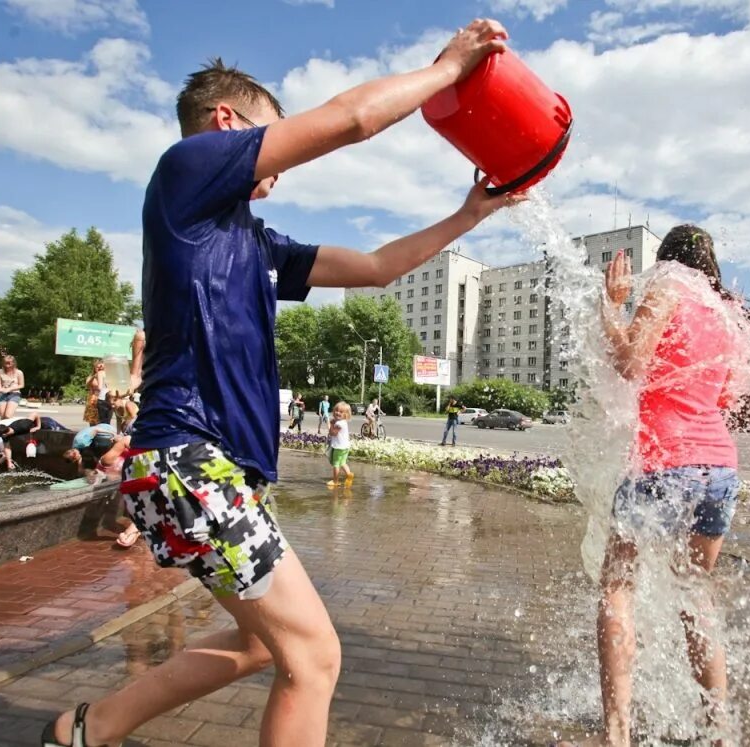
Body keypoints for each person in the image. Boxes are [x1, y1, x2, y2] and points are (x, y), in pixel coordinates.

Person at [41, 23, 520, 747]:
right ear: (225, 125)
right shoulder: (186, 173)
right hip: (187, 459)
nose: (281, 162)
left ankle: (87, 726)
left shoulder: (254, 241)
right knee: (316, 658)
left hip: (209, 470)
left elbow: (378, 267)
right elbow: (352, 120)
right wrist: (448, 70)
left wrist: (469, 214)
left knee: (267, 644)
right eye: (272, 135)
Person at [588, 226, 750, 747]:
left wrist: (610, 310)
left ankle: (617, 735)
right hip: (719, 468)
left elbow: (630, 364)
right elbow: (729, 396)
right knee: (695, 594)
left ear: (666, 261)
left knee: (618, 586)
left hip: (663, 460)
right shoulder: (727, 314)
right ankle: (718, 729)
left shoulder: (667, 289)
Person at [0, 412, 69, 472]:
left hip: (47, 423)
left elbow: (35, 414)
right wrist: (9, 462)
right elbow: (7, 449)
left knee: (67, 436)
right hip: (33, 425)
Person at [326, 401, 354, 488]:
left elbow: (332, 433)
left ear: (346, 414)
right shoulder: (343, 422)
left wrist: (330, 424)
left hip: (339, 447)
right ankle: (349, 475)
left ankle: (335, 481)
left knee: (336, 464)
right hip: (345, 447)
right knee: (343, 463)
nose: (338, 413)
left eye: (341, 412)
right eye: (336, 411)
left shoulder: (338, 423)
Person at [85, 360, 113, 426]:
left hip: (104, 397)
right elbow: (87, 384)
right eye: (97, 367)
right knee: (92, 418)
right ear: (94, 368)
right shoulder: (91, 376)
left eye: (100, 367)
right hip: (93, 398)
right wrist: (93, 377)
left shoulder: (104, 375)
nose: (99, 368)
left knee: (104, 418)